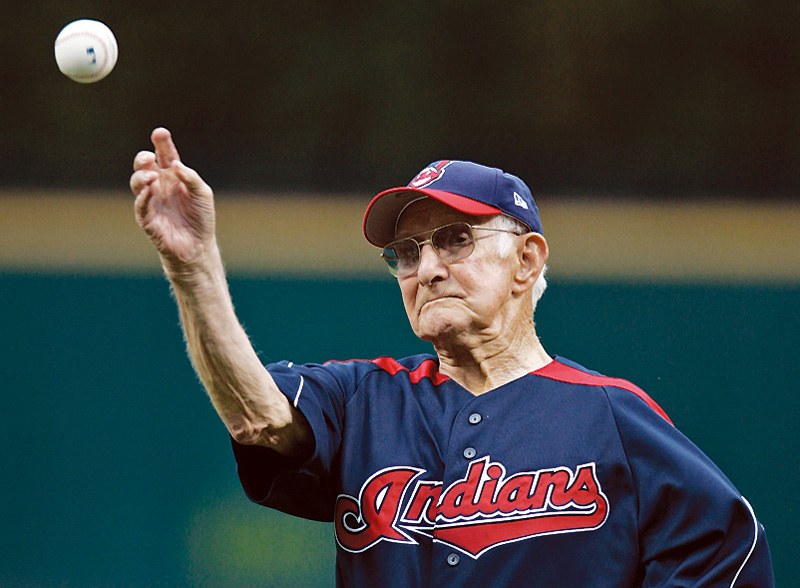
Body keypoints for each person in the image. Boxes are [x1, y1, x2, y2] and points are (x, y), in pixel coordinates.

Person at [130, 127, 775, 587]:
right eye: (406, 254)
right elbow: (256, 417)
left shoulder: (612, 418)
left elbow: (729, 553)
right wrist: (193, 269)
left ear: (527, 260)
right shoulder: (364, 401)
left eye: (455, 239)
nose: (427, 268)